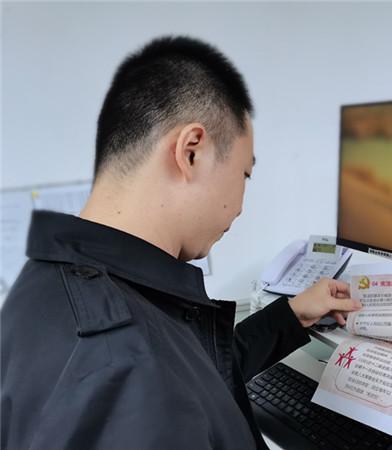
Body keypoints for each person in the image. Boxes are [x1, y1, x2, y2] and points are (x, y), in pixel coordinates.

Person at [0, 36, 363, 450]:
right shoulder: (123, 366)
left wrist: (290, 316)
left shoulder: (54, 284)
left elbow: (193, 378)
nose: (240, 206)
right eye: (244, 174)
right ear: (191, 152)